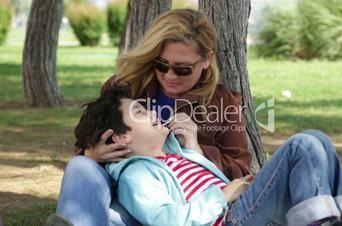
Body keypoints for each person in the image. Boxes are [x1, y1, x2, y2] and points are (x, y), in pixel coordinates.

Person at [54, 9, 251, 226]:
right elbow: (91, 131)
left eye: (183, 69)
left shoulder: (223, 102)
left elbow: (241, 170)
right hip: (125, 194)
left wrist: (197, 151)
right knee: (81, 166)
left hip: (181, 206)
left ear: (207, 60)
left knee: (110, 219)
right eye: (161, 64)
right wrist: (91, 152)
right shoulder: (122, 87)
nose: (169, 76)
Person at [77, 85, 342, 226]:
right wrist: (221, 196)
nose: (152, 112)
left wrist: (193, 147)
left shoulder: (177, 153)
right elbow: (167, 220)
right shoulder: (137, 174)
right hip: (228, 218)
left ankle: (337, 219)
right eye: (140, 112)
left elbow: (205, 180)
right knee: (301, 145)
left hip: (238, 207)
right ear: (121, 137)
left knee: (318, 140)